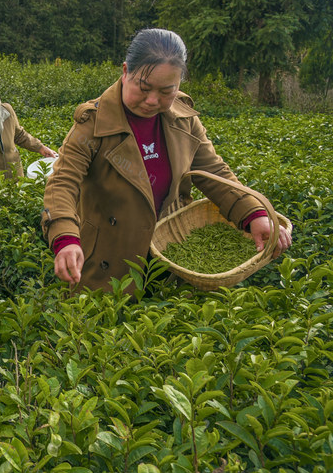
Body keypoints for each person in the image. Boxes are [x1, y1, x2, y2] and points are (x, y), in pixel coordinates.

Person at [42, 28, 293, 291]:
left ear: (179, 84)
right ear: (126, 71)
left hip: (171, 251)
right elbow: (62, 182)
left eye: (166, 91)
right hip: (110, 259)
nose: (152, 101)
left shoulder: (183, 119)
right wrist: (65, 238)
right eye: (144, 87)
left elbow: (214, 172)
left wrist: (254, 213)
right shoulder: (92, 124)